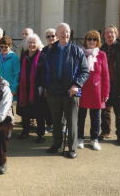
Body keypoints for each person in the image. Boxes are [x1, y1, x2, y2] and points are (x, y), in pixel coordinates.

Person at [43, 23, 90, 159]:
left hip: (71, 93)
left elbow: (85, 71)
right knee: (56, 121)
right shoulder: (50, 51)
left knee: (71, 121)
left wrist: (76, 85)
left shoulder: (76, 50)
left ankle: (72, 147)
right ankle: (57, 144)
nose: (65, 34)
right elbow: (44, 70)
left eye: (67, 32)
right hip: (53, 93)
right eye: (62, 32)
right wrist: (47, 85)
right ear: (57, 35)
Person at [77, 30, 110, 151]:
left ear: (98, 42)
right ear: (85, 40)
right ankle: (80, 138)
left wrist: (106, 92)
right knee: (81, 116)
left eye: (94, 39)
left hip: (97, 90)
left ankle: (94, 139)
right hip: (82, 89)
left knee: (95, 117)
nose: (91, 41)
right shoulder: (80, 53)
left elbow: (106, 75)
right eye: (89, 38)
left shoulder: (101, 55)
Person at [16, 34, 46, 143]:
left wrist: (44, 87)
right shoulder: (24, 56)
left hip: (37, 89)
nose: (32, 45)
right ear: (26, 44)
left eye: (34, 43)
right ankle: (25, 131)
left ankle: (40, 134)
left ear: (38, 44)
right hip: (25, 89)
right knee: (25, 111)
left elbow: (45, 73)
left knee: (39, 113)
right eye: (30, 42)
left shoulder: (42, 57)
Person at [41, 28, 58, 133]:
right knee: (47, 105)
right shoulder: (44, 50)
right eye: (48, 36)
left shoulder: (59, 48)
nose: (51, 38)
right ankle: (49, 124)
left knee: (59, 106)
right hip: (47, 81)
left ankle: (61, 125)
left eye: (53, 36)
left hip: (58, 82)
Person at [0, 36, 20, 101]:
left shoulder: (14, 58)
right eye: (2, 47)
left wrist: (14, 89)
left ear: (10, 46)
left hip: (10, 89)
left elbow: (17, 74)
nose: (4, 49)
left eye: (6, 47)